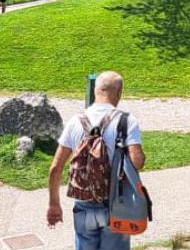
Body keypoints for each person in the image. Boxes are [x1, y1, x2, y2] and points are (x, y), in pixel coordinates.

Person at [48, 71, 145, 250]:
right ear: (119, 93)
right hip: (116, 205)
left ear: (96, 91)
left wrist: (54, 204)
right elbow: (137, 161)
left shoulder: (76, 121)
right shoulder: (126, 121)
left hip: (83, 207)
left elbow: (55, 167)